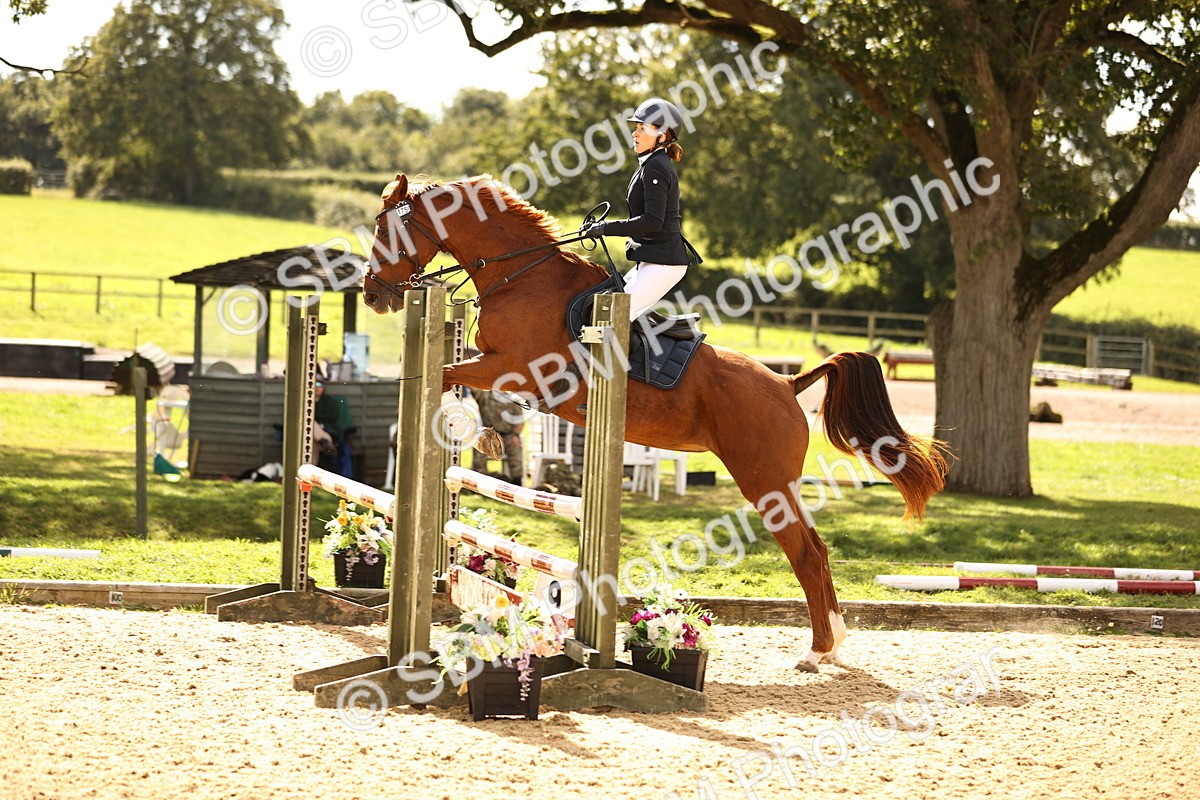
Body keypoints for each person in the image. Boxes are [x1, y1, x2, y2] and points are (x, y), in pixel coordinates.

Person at [582, 97, 703, 320]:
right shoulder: (649, 163)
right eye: (635, 128)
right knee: (602, 308)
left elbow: (652, 221)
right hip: (650, 261)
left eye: (642, 128)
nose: (634, 134)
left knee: (610, 317)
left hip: (664, 264)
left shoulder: (656, 166)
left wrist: (605, 228)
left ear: (662, 135)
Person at [314, 375, 355, 477]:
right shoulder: (305, 402)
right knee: (312, 439)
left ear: (324, 387)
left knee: (311, 423)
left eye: (319, 384)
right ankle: (311, 472)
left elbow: (331, 419)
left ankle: (326, 440)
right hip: (314, 437)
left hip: (330, 433)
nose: (316, 387)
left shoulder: (329, 401)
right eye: (314, 384)